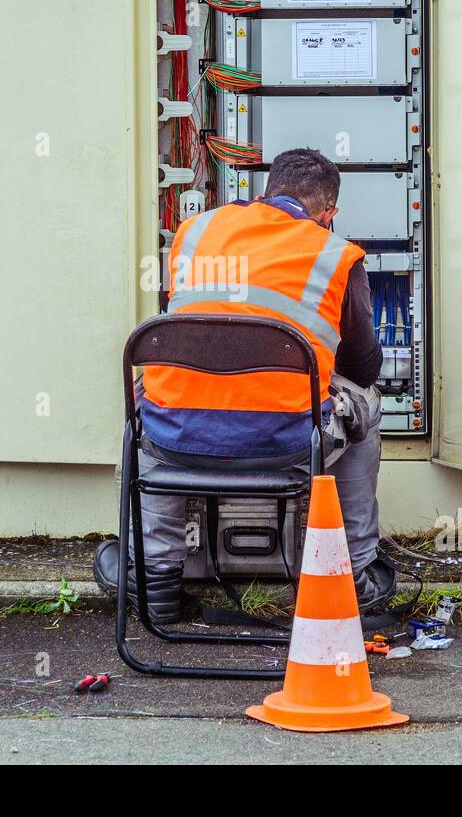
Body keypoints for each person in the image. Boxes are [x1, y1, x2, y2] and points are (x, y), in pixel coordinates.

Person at [95, 148, 398, 621]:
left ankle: (155, 577)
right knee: (366, 405)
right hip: (288, 442)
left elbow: (180, 330)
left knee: (146, 403)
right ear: (329, 214)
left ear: (267, 192)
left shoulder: (192, 234)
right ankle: (352, 576)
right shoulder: (336, 255)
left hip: (176, 437)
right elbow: (362, 368)